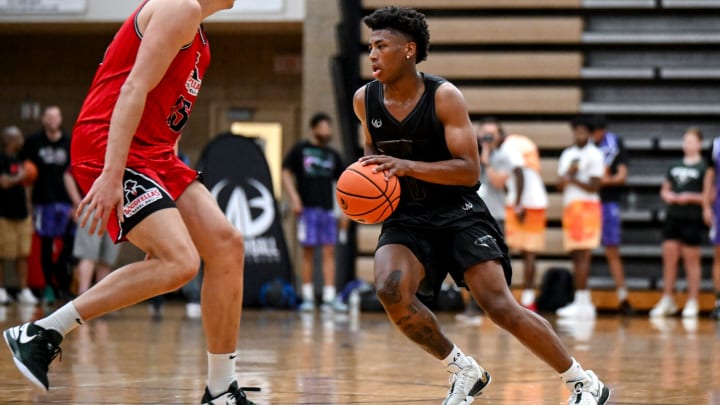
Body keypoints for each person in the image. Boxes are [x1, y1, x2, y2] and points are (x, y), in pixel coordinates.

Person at [3, 1, 259, 404]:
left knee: (226, 245)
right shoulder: (180, 7)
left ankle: (220, 389)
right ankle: (41, 331)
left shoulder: (201, 38)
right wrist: (110, 174)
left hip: (156, 154)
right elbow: (133, 88)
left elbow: (167, 110)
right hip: (109, 144)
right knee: (180, 262)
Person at [354, 7, 610, 405]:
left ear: (408, 50)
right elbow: (372, 155)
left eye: (381, 46)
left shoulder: (444, 96)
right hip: (408, 215)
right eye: (370, 46)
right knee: (389, 290)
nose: (372, 54)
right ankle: (462, 369)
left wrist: (406, 166)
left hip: (458, 211)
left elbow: (469, 171)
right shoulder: (364, 100)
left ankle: (582, 381)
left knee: (498, 306)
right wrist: (368, 182)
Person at [281, 112, 349, 312]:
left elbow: (344, 184)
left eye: (329, 127)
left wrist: (345, 212)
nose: (327, 131)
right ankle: (308, 296)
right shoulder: (300, 150)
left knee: (329, 251)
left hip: (327, 210)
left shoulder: (333, 155)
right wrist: (294, 199)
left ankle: (329, 296)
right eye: (323, 126)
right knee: (307, 252)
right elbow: (285, 172)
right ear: (314, 128)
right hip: (307, 209)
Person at [21, 105, 81, 305]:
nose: (53, 120)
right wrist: (29, 203)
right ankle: (49, 286)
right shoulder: (33, 142)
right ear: (44, 119)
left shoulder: (69, 142)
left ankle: (62, 283)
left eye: (56, 116)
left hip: (66, 202)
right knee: (46, 246)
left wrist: (76, 203)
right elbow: (25, 174)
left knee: (69, 246)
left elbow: (76, 174)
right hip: (43, 201)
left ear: (61, 119)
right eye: (49, 116)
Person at [650, 128, 707, 319]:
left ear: (699, 143)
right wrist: (669, 196)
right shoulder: (674, 165)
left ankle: (692, 300)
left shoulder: (705, 167)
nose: (688, 144)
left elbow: (709, 195)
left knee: (691, 260)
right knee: (669, 258)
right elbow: (664, 189)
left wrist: (691, 197)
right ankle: (668, 299)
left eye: (691, 141)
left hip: (692, 218)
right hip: (673, 216)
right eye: (685, 141)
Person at [555, 116, 604, 319]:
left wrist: (573, 178)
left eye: (583, 131)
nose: (579, 135)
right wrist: (568, 176)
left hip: (588, 207)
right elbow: (559, 184)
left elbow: (594, 185)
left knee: (584, 254)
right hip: (571, 207)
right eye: (576, 131)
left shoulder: (595, 154)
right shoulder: (568, 154)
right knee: (576, 255)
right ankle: (582, 300)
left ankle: (582, 302)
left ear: (590, 134)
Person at [590, 115, 634, 315]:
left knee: (612, 250)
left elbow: (622, 176)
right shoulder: (586, 146)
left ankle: (623, 296)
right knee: (583, 250)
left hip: (608, 202)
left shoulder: (615, 144)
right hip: (587, 202)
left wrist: (602, 181)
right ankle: (583, 298)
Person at [0, 126, 38, 306]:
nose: (22, 140)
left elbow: (27, 188)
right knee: (2, 254)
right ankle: (1, 290)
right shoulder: (1, 160)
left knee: (23, 254)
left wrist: (30, 211)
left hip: (22, 214)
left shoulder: (22, 160)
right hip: (4, 214)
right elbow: (4, 182)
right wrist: (21, 176)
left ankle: (23, 290)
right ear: (9, 140)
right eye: (18, 137)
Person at [72, 207, 120, 296]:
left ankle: (101, 298)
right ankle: (83, 296)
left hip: (116, 212)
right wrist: (79, 204)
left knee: (107, 259)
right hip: (93, 206)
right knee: (88, 256)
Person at [704, 134, 720, 320]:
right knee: (718, 255)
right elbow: (708, 177)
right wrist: (706, 206)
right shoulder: (715, 144)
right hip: (719, 206)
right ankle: (719, 301)